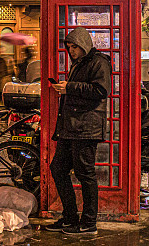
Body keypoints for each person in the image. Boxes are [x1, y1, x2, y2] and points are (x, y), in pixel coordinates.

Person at [47, 27, 112, 235]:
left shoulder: (99, 62)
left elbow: (101, 91)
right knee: (57, 168)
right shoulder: (78, 63)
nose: (71, 50)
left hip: (87, 127)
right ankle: (69, 217)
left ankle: (89, 222)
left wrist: (70, 87)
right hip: (71, 126)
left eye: (74, 46)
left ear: (84, 44)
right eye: (68, 47)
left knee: (85, 174)